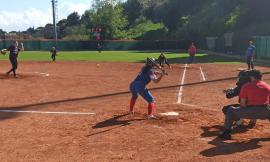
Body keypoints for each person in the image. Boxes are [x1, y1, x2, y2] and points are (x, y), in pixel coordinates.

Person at [219, 70, 270, 140]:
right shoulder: (267, 86)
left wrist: (245, 113)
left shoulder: (246, 86)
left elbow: (242, 104)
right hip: (265, 111)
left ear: (252, 77)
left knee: (231, 110)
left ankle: (226, 133)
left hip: (251, 111)